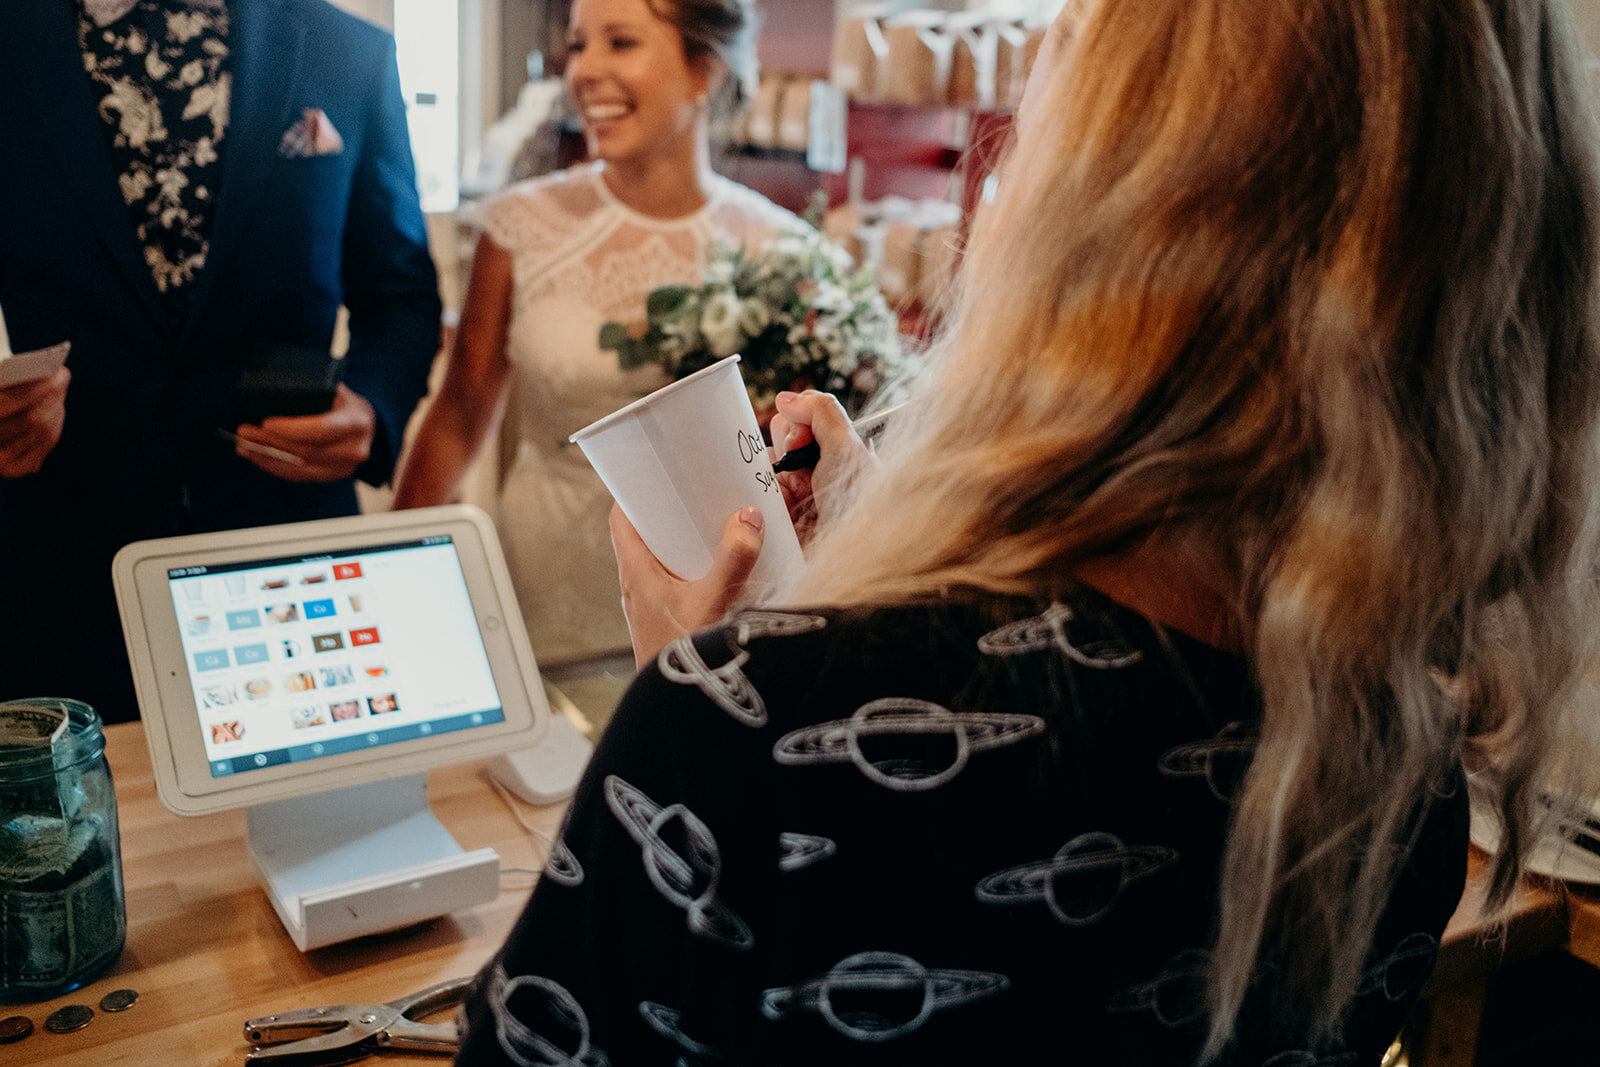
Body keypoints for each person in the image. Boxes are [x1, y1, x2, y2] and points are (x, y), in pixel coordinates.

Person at [455, 0, 1600, 1062]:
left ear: (1087, 225)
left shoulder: (752, 742)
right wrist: (877, 531)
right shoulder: (1401, 763)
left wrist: (701, 694)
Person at [0, 0, 441, 722]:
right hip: (58, 570)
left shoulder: (348, 52)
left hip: (290, 570)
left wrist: (373, 404)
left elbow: (401, 297)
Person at [391, 0, 806, 669]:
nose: (584, 71)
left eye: (620, 42)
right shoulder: (521, 227)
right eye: (579, 45)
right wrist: (394, 575)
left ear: (704, 69)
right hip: (543, 583)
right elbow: (460, 412)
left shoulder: (783, 253)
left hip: (710, 598)